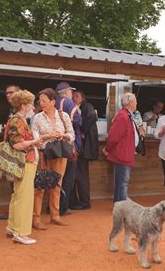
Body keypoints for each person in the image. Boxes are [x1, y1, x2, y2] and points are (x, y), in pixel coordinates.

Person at [31, 88, 74, 229]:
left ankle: (55, 216)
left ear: (53, 102)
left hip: (60, 154)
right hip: (43, 154)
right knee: (40, 187)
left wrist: (63, 135)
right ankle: (36, 219)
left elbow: (71, 135)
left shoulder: (64, 116)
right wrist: (48, 136)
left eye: (44, 100)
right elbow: (34, 138)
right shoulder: (37, 117)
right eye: (40, 101)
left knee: (57, 185)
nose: (41, 103)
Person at [5, 90, 42, 244]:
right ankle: (21, 232)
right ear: (24, 105)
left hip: (24, 162)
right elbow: (18, 144)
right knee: (24, 197)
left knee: (18, 195)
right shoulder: (18, 121)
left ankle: (13, 227)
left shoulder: (17, 120)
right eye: (31, 103)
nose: (33, 106)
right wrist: (34, 142)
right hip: (25, 162)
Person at [103, 93, 138, 202]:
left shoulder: (126, 115)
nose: (136, 103)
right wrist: (107, 149)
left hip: (125, 153)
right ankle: (120, 207)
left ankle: (119, 206)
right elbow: (113, 136)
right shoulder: (123, 116)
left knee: (122, 182)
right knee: (122, 182)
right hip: (122, 154)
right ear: (131, 103)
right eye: (135, 101)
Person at [55, 82, 82, 216]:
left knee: (56, 177)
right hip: (69, 145)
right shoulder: (69, 103)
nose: (72, 94)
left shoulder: (52, 102)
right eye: (71, 91)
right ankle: (63, 207)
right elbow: (78, 121)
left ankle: (53, 207)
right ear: (66, 92)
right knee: (68, 178)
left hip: (54, 146)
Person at [71, 90, 99, 209]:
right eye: (73, 96)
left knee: (81, 175)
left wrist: (82, 131)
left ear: (83, 97)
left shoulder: (86, 106)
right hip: (83, 148)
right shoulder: (79, 107)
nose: (74, 98)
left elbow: (92, 116)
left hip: (84, 149)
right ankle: (80, 201)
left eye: (76, 96)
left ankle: (84, 203)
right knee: (80, 175)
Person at [0, 84, 21, 220]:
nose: (9, 95)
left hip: (21, 152)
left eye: (11, 93)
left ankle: (19, 213)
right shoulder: (12, 110)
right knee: (12, 182)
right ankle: (14, 212)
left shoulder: (25, 110)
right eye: (7, 93)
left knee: (18, 184)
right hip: (12, 151)